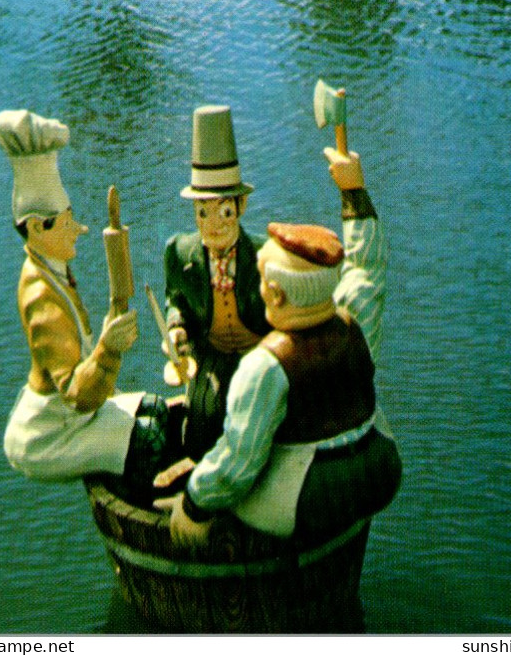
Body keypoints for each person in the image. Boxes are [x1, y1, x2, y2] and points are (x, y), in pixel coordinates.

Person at [161, 146, 402, 549]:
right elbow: (366, 267)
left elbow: (237, 462)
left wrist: (194, 504)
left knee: (235, 482)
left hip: (309, 496)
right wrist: (354, 192)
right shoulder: (352, 317)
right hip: (379, 472)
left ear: (273, 292)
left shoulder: (267, 366)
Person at [0, 109, 167, 490]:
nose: (80, 229)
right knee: (149, 438)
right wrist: (109, 349)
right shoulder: (41, 298)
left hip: (75, 415)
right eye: (67, 221)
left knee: (155, 409)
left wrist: (106, 329)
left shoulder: (53, 268)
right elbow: (76, 395)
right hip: (49, 432)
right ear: (37, 227)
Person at [164, 105, 268, 461]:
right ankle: (198, 484)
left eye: (223, 211)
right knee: (203, 417)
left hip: (259, 352)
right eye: (202, 212)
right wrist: (176, 328)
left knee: (259, 414)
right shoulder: (180, 253)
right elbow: (175, 299)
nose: (213, 224)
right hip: (210, 350)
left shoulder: (267, 255)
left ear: (241, 206)